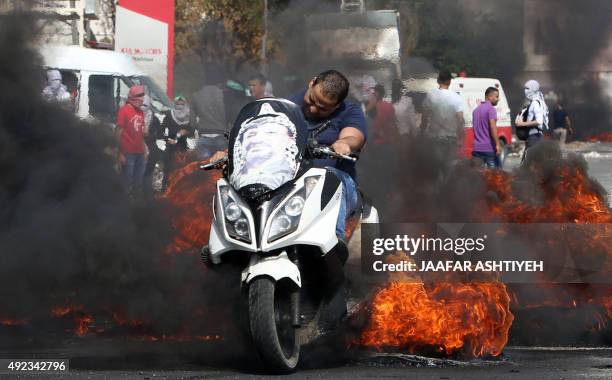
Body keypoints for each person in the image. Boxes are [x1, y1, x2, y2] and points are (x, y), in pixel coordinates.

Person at [209, 69, 367, 240]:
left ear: (336, 106)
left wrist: (344, 143)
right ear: (312, 82)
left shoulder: (350, 110)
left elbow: (354, 136)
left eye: (322, 108)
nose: (313, 109)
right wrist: (228, 153)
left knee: (331, 178)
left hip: (335, 184)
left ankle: (335, 241)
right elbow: (259, 136)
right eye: (312, 100)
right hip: (291, 185)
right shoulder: (285, 107)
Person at [421, 70, 465, 152]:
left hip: (435, 137)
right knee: (449, 163)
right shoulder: (456, 97)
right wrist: (460, 138)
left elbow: (424, 117)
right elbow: (460, 120)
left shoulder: (431, 95)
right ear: (450, 81)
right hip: (451, 138)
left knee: (436, 164)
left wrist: (422, 132)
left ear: (438, 80)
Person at [116, 85, 147, 197]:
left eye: (143, 95)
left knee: (138, 183)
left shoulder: (141, 113)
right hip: (128, 153)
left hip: (139, 153)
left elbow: (141, 134)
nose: (142, 98)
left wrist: (145, 150)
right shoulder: (124, 111)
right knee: (127, 182)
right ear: (132, 96)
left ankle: (135, 207)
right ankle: (123, 206)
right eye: (139, 95)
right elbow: (118, 132)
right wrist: (119, 153)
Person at [160, 95, 194, 189]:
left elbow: (192, 131)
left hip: (182, 148)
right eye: (177, 104)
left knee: (181, 171)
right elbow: (161, 130)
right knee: (168, 171)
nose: (179, 106)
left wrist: (185, 132)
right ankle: (166, 189)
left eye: (182, 104)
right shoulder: (169, 115)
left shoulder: (188, 116)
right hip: (170, 148)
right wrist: (167, 139)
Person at [516, 79, 549, 163]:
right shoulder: (540, 102)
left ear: (533, 89)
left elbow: (539, 121)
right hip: (535, 136)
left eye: (527, 88)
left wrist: (522, 124)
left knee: (527, 164)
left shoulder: (535, 103)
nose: (525, 91)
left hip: (534, 137)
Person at [471, 87, 502, 168]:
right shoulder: (491, 109)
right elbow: (493, 127)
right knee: (496, 176)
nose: (498, 99)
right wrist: (498, 145)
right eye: (497, 96)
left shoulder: (475, 110)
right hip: (489, 149)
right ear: (489, 97)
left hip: (476, 149)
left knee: (478, 177)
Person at [141, 95, 163, 195]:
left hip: (150, 152)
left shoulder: (155, 120)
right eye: (140, 104)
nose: (142, 107)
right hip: (135, 151)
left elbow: (158, 135)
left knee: (147, 178)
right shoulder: (131, 116)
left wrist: (149, 135)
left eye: (145, 105)